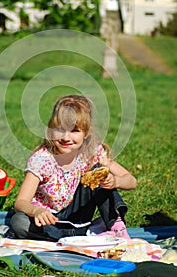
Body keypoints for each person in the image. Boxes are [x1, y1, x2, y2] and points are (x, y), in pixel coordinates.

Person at [10, 94, 137, 241]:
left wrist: (116, 182)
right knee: (19, 222)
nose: (65, 137)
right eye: (60, 129)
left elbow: (131, 181)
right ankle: (77, 235)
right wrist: (36, 210)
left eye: (74, 130)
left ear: (86, 133)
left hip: (79, 217)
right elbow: (20, 202)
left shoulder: (92, 153)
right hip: (48, 220)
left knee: (98, 172)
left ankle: (114, 225)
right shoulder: (41, 160)